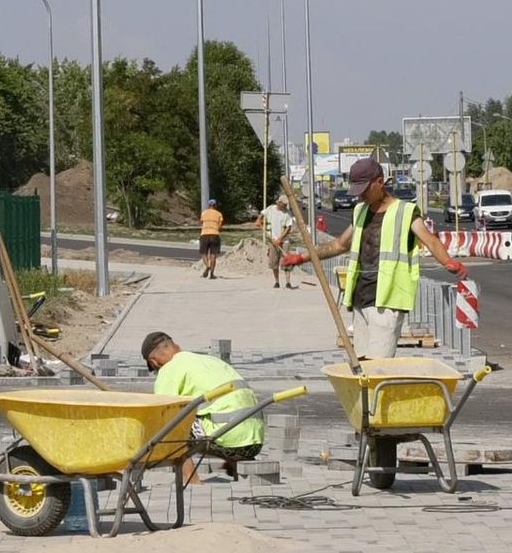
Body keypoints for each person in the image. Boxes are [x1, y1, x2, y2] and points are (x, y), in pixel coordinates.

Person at [283, 158, 467, 359]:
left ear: (379, 182)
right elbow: (339, 245)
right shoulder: (360, 211)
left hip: (387, 301)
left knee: (378, 366)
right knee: (362, 366)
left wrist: (448, 261)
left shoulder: (405, 212)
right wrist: (301, 257)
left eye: (364, 189)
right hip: (361, 298)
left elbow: (430, 241)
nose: (361, 195)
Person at [142, 331, 264, 479]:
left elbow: (161, 410)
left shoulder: (169, 369)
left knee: (170, 428)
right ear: (177, 346)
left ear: (154, 362)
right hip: (255, 440)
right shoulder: (212, 360)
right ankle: (243, 472)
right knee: (214, 414)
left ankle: (192, 483)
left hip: (230, 440)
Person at [256, 194, 297, 289]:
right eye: (284, 204)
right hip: (272, 240)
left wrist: (280, 239)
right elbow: (262, 214)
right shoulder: (271, 209)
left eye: (286, 205)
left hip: (284, 240)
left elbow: (288, 228)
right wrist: (259, 220)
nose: (285, 206)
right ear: (279, 203)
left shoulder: (287, 214)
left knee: (287, 261)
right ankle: (277, 282)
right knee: (274, 261)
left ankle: (288, 282)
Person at [199, 199, 223, 279]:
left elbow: (201, 223)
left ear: (209, 205)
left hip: (204, 234)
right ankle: (212, 274)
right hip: (215, 235)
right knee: (213, 255)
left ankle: (207, 266)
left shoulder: (204, 213)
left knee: (203, 253)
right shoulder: (219, 214)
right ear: (215, 205)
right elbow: (220, 225)